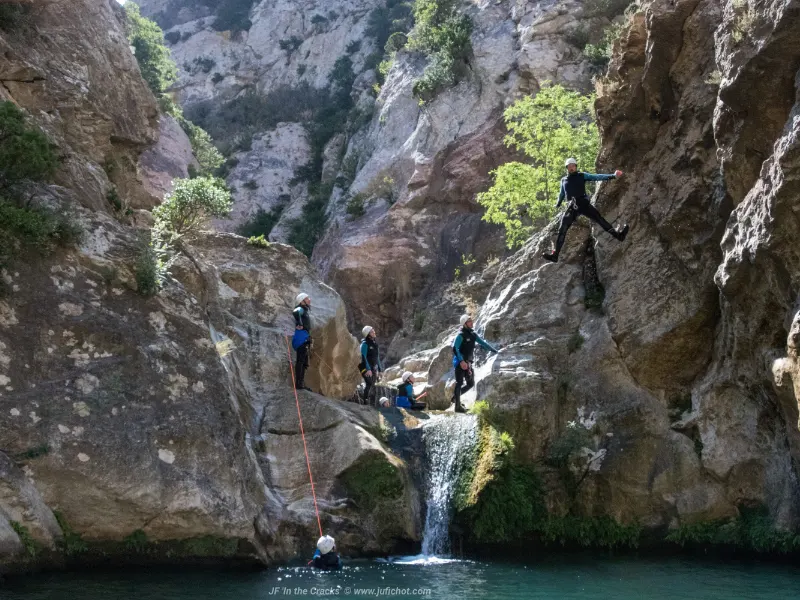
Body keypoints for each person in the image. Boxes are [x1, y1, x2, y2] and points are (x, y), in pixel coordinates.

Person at [542, 158, 629, 263]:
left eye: (573, 166)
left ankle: (619, 236)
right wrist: (558, 203)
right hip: (572, 206)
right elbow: (562, 194)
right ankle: (555, 255)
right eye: (569, 167)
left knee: (599, 219)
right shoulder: (564, 180)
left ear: (576, 166)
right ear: (567, 168)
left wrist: (613, 176)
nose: (571, 168)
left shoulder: (582, 175)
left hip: (583, 204)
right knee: (562, 228)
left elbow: (596, 177)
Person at [451, 314, 499, 413]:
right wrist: (461, 361)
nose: (472, 323)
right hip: (460, 363)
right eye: (469, 321)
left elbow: (483, 343)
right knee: (459, 383)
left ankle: (456, 398)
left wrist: (495, 351)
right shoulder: (460, 335)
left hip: (468, 363)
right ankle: (457, 407)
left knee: (470, 384)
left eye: (471, 321)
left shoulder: (473, 334)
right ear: (464, 324)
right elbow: (455, 348)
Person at [292, 292, 313, 392]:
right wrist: (299, 323)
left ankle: (301, 382)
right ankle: (298, 384)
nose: (309, 299)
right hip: (301, 338)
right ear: (302, 301)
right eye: (307, 298)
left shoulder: (305, 310)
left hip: (304, 337)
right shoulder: (300, 309)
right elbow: (296, 311)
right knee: (301, 361)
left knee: (304, 362)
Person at [358, 326, 382, 406]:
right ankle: (364, 401)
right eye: (372, 331)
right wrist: (367, 369)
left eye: (373, 330)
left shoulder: (375, 344)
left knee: (372, 384)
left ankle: (369, 401)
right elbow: (363, 356)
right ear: (368, 334)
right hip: (364, 367)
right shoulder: (364, 344)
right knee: (369, 383)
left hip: (373, 368)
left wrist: (380, 370)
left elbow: (377, 358)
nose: (374, 332)